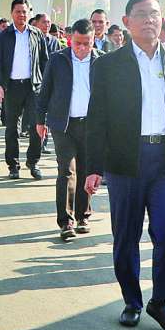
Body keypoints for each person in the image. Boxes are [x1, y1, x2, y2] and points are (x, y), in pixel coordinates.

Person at [83, 0, 165, 330]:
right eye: (142, 14)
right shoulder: (108, 65)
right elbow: (96, 119)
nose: (150, 20)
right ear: (127, 21)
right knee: (126, 234)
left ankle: (161, 301)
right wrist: (93, 167)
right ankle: (132, 301)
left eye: (155, 14)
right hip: (125, 161)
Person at [36, 20, 102, 241]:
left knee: (86, 170)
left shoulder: (101, 61)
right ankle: (66, 221)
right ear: (69, 39)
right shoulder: (58, 59)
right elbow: (45, 91)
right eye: (78, 43)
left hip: (91, 126)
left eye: (87, 43)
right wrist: (40, 120)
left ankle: (83, 216)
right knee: (67, 170)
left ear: (93, 40)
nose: (82, 48)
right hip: (62, 125)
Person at [0, 0, 47, 179]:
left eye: (24, 11)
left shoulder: (37, 34)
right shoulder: (3, 36)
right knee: (12, 128)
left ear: (29, 13)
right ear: (12, 14)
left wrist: (47, 86)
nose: (21, 15)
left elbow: (44, 61)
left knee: (37, 126)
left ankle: (33, 162)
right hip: (11, 87)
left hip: (33, 87)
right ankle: (13, 165)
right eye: (18, 12)